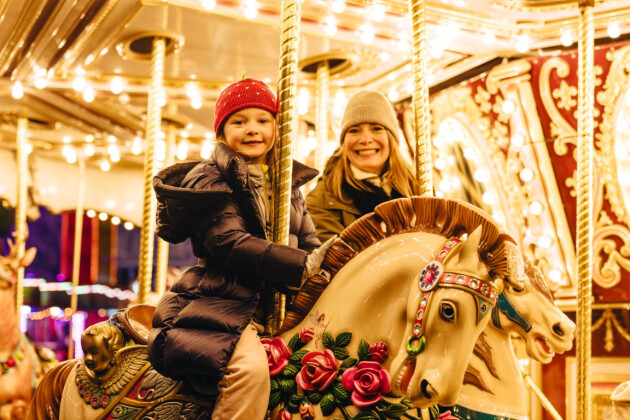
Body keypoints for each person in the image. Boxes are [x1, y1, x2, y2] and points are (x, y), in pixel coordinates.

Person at [147, 78, 333, 420]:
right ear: (221, 131)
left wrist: (327, 265)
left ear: (278, 128)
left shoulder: (287, 185)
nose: (252, 129)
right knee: (249, 371)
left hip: (281, 305)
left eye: (263, 120)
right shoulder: (209, 177)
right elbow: (229, 243)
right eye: (239, 121)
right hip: (224, 301)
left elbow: (308, 240)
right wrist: (301, 266)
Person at [306, 89, 420, 242]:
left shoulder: (417, 186)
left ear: (391, 137)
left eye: (376, 129)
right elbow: (338, 260)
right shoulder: (321, 201)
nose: (366, 139)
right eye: (354, 131)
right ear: (344, 141)